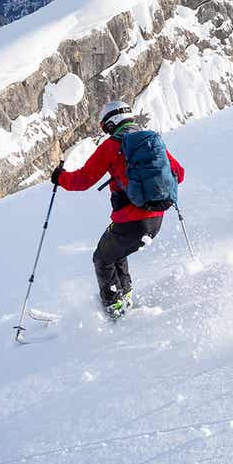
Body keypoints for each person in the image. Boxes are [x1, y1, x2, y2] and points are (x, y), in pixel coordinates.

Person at [51, 101, 185, 320]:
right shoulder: (151, 142)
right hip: (156, 219)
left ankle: (115, 310)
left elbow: (82, 180)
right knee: (116, 252)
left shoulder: (112, 146)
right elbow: (179, 173)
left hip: (131, 221)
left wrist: (59, 178)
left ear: (111, 123)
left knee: (102, 259)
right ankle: (125, 297)